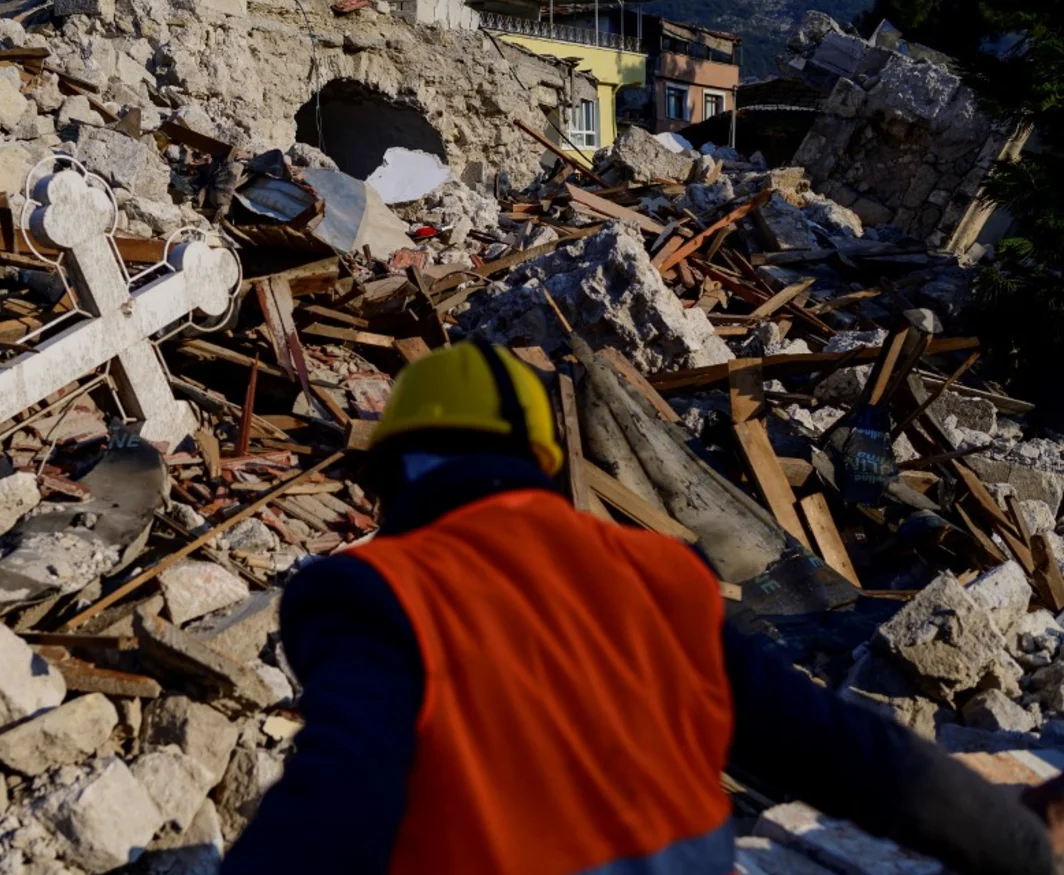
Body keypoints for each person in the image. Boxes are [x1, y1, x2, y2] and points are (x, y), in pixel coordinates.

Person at [220, 342, 1058, 875]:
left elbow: (338, 799)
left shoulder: (372, 589)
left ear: (393, 473)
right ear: (544, 462)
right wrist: (1016, 844)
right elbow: (841, 751)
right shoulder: (659, 575)